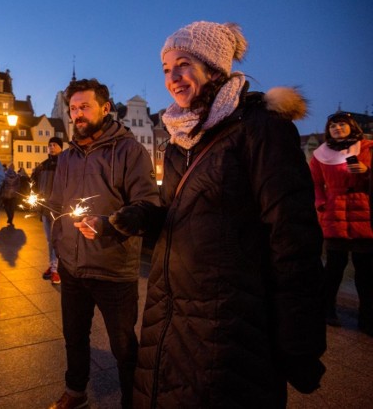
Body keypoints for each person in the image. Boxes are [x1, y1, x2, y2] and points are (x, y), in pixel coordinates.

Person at [114, 21, 326, 408]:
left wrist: (300, 341)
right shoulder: (181, 139)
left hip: (230, 323)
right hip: (171, 315)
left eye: (183, 64)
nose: (172, 77)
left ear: (213, 68)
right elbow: (183, 213)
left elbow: (293, 238)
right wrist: (141, 216)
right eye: (165, 68)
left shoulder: (260, 129)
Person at [47, 78, 160, 409]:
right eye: (73, 109)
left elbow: (148, 205)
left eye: (85, 107)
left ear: (106, 108)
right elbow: (56, 204)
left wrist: (109, 224)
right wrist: (60, 243)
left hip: (114, 268)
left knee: (123, 346)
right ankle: (76, 391)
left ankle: (132, 402)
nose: (77, 115)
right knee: (74, 337)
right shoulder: (67, 158)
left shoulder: (130, 151)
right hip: (72, 266)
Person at [309, 112, 373, 333]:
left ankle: (367, 318)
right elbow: (315, 183)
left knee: (366, 272)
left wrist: (367, 172)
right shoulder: (320, 154)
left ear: (351, 126)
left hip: (363, 211)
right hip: (334, 213)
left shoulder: (367, 148)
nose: (337, 128)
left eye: (342, 125)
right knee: (334, 268)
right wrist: (321, 204)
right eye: (333, 125)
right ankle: (327, 310)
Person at [31, 136, 64, 284]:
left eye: (55, 145)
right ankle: (53, 266)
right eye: (50, 145)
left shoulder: (64, 164)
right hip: (45, 209)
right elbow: (36, 185)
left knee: (57, 239)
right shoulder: (43, 166)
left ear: (61, 148)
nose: (51, 147)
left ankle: (56, 269)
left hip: (58, 209)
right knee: (49, 240)